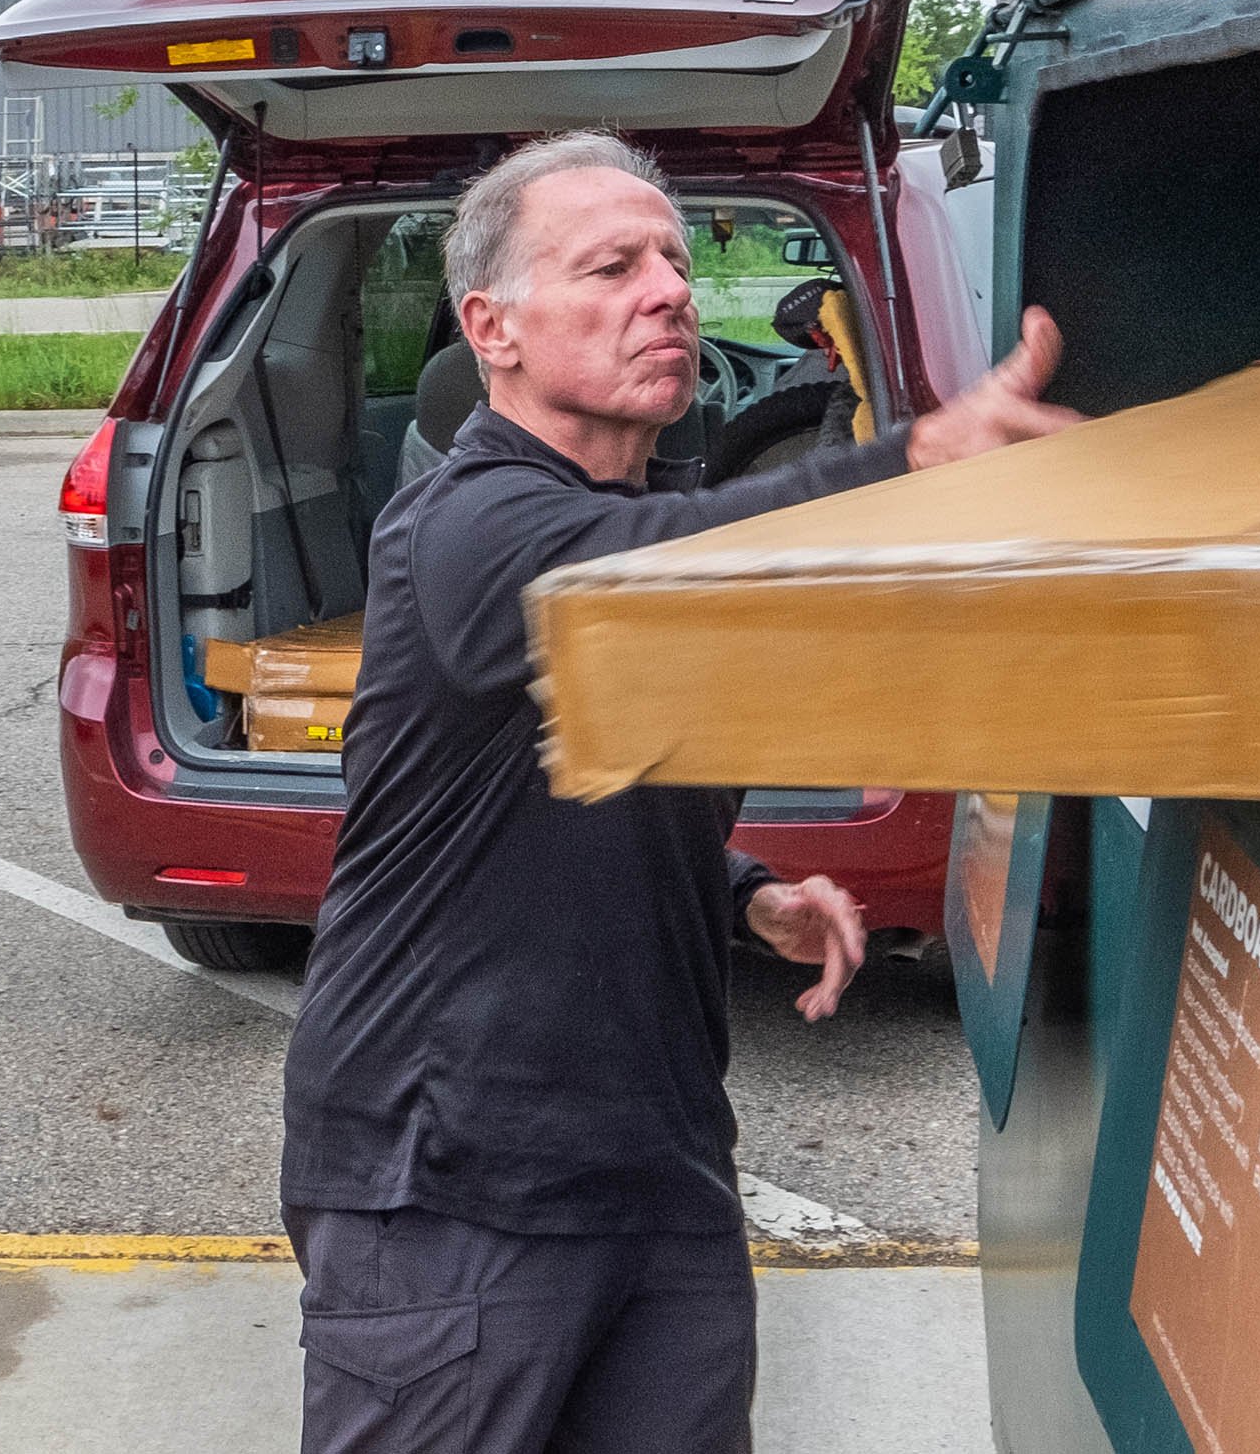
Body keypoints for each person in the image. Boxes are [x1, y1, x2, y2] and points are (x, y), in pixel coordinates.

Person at [279, 129, 1077, 1452]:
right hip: (446, 1189)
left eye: (674, 258)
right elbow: (647, 565)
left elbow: (567, 805)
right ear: (494, 327)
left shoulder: (656, 525)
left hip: (659, 1170)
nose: (668, 289)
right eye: (611, 265)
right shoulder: (464, 531)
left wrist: (748, 895)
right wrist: (917, 463)